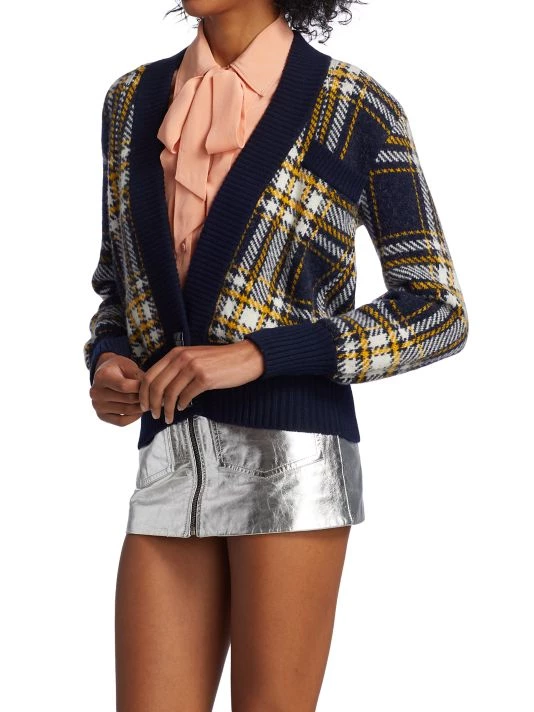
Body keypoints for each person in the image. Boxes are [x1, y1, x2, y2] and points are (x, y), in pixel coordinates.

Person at [85, 1, 469, 709]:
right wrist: (109, 359)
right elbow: (118, 283)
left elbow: (436, 308)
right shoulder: (131, 101)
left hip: (291, 459)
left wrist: (258, 355)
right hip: (171, 455)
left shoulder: (354, 106)